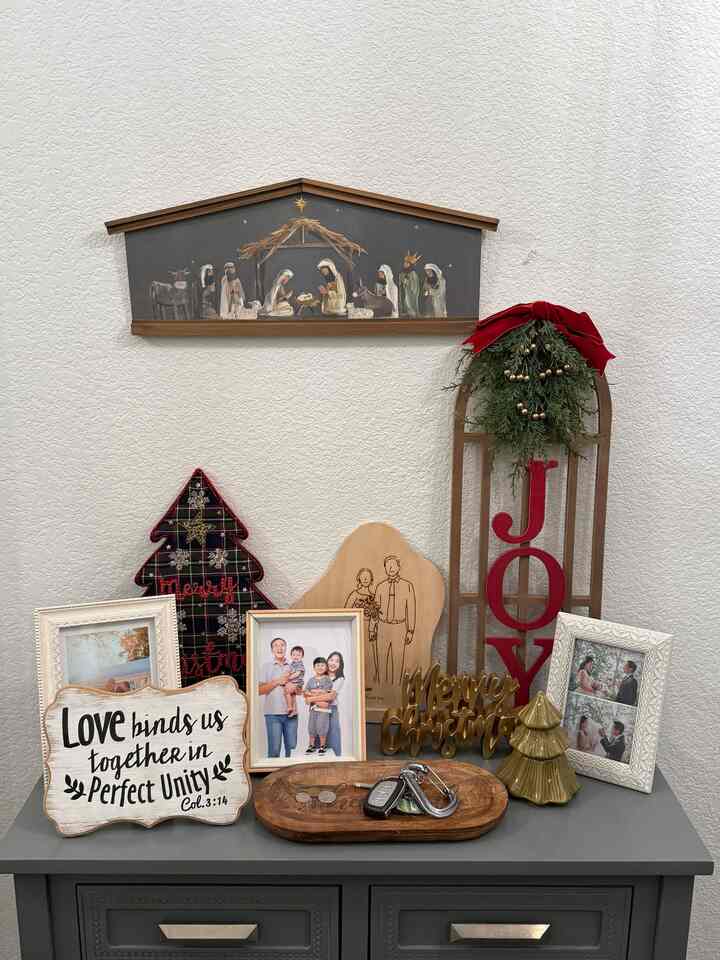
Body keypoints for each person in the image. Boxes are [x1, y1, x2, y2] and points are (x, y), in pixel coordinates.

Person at [375, 555, 416, 684]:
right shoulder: (380, 587)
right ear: (385, 569)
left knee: (398, 660)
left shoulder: (407, 586)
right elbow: (375, 609)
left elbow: (411, 609)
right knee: (381, 660)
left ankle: (397, 689)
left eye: (393, 565)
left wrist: (410, 630)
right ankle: (381, 689)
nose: (391, 568)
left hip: (399, 627)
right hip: (382, 626)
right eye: (388, 565)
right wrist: (372, 629)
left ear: (399, 567)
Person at [257, 637, 297, 759]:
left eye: (282, 645)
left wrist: (294, 687)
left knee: (292, 748)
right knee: (274, 750)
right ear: (272, 650)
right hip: (273, 714)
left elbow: (300, 691)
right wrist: (277, 681)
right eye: (276, 645)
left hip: (292, 714)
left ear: (286, 648)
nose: (279, 648)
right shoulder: (266, 667)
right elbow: (259, 690)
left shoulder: (293, 666)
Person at [345, 568, 380, 680]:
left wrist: (373, 628)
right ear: (359, 578)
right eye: (363, 576)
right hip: (357, 627)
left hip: (370, 628)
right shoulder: (354, 594)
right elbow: (346, 611)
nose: (365, 578)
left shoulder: (374, 596)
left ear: (371, 580)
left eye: (368, 577)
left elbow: (376, 615)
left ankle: (371, 678)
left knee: (370, 652)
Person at [304, 657, 333, 755]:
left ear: (326, 667)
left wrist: (314, 693)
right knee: (311, 727)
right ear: (314, 667)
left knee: (322, 726)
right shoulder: (311, 680)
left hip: (323, 709)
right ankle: (311, 745)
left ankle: (322, 745)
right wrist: (316, 693)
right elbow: (306, 691)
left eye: (322, 665)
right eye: (317, 665)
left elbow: (326, 693)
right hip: (313, 709)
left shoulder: (327, 680)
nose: (320, 667)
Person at [284, 644, 305, 717]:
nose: (296, 657)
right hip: (293, 683)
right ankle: (294, 710)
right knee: (292, 696)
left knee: (287, 692)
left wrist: (288, 678)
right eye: (294, 655)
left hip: (297, 683)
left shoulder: (300, 664)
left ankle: (289, 707)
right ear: (291, 655)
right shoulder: (292, 664)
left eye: (298, 655)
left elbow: (297, 673)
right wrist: (287, 674)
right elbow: (289, 671)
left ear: (302, 657)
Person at [398, 251, 421, 316]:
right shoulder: (402, 273)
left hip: (410, 294)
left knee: (410, 306)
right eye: (404, 262)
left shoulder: (413, 274)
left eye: (406, 263)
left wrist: (407, 283)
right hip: (403, 293)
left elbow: (415, 287)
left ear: (410, 264)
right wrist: (402, 282)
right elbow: (400, 283)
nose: (404, 264)